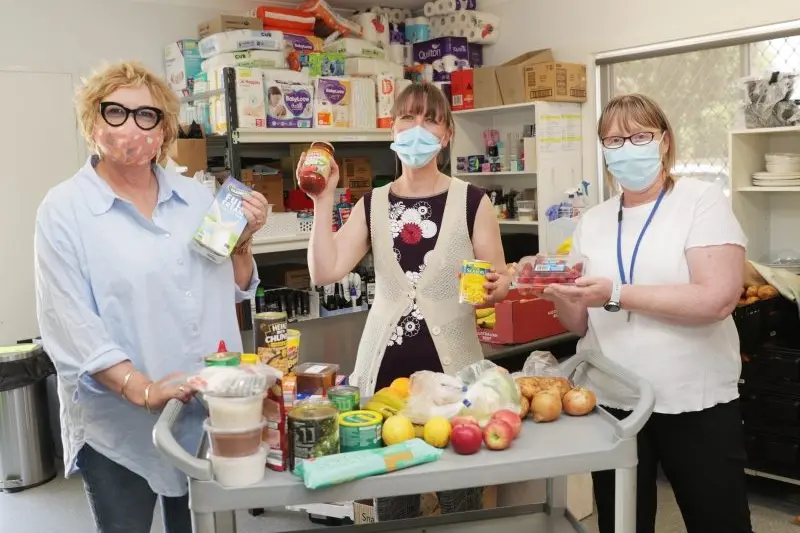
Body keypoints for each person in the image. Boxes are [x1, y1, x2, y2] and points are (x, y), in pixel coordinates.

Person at [34, 61, 269, 533]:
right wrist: (143, 388)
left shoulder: (199, 198)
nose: (133, 127)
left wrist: (244, 241)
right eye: (116, 112)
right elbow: (71, 324)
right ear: (91, 122)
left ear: (164, 130)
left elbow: (232, 285)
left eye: (148, 116)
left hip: (207, 411)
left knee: (206, 527)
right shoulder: (64, 211)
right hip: (121, 424)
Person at [543, 93, 753, 533]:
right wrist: (558, 291)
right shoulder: (594, 221)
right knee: (622, 525)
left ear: (664, 142)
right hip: (613, 403)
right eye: (614, 140)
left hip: (694, 401)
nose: (627, 147)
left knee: (718, 521)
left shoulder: (701, 200)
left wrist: (618, 293)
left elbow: (717, 299)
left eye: (640, 135)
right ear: (602, 150)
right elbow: (580, 324)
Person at [303, 82, 510, 519]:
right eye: (408, 118)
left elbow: (500, 279)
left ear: (447, 133)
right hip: (384, 378)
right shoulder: (373, 203)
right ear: (391, 129)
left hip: (454, 382)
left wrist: (498, 285)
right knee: (394, 505)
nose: (418, 128)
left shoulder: (473, 201)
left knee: (459, 501)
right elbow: (325, 271)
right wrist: (324, 201)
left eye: (430, 119)